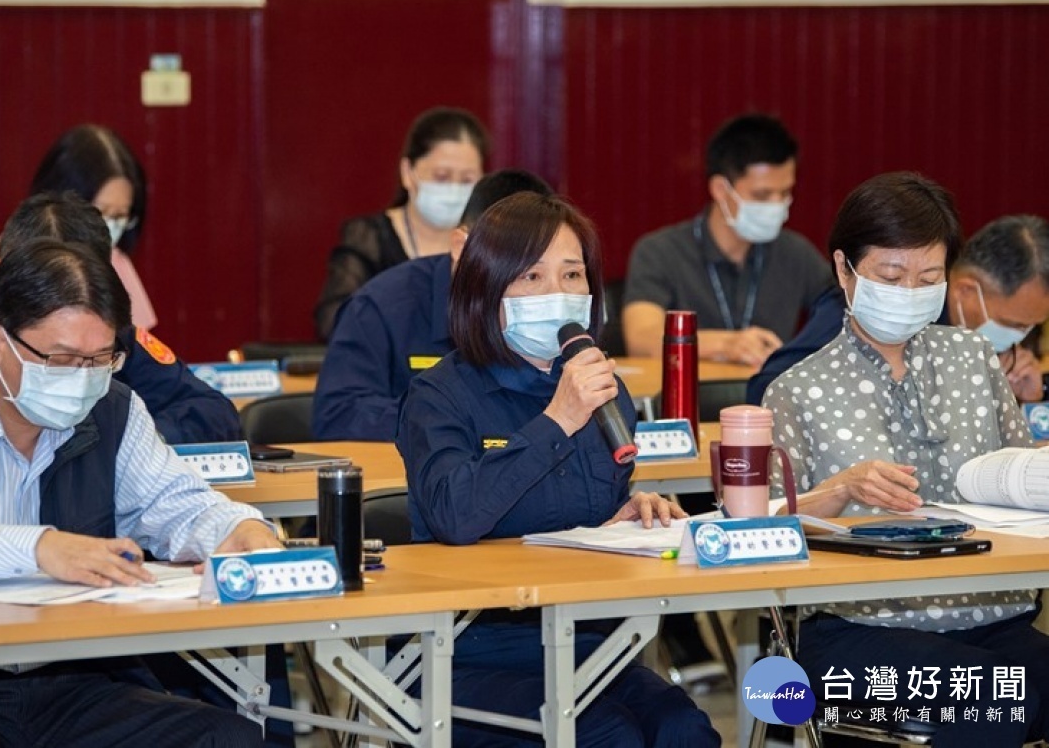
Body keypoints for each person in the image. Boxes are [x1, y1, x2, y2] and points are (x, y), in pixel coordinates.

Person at [0, 238, 280, 747]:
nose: (82, 380)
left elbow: (176, 503)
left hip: (74, 682)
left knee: (224, 737)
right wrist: (38, 547)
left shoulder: (114, 410)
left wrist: (241, 529)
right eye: (62, 359)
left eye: (101, 359)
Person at [397, 192, 720, 747]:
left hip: (591, 645)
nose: (558, 293)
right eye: (531, 277)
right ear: (486, 288)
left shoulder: (603, 388)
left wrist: (628, 516)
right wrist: (557, 419)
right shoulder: (439, 394)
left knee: (683, 729)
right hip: (469, 653)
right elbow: (454, 514)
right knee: (605, 736)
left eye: (572, 275)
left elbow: (585, 519)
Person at [762, 172, 1048, 747]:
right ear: (845, 270)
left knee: (1011, 691)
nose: (911, 290)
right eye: (892, 276)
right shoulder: (797, 389)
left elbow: (1025, 480)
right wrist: (839, 489)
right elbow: (762, 532)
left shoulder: (974, 358)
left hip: (992, 613)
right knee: (998, 700)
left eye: (929, 277)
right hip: (855, 631)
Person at [0, 192, 240, 444]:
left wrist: (126, 443)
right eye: (43, 292)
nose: (67, 309)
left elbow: (212, 411)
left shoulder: (102, 329)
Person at [312, 168, 552, 441]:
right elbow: (338, 416)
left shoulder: (558, 309)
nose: (522, 280)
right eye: (507, 257)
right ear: (462, 246)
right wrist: (446, 416)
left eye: (535, 269)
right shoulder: (382, 306)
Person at [747, 214, 1049, 404]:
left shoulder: (1012, 338)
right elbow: (767, 388)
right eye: (1012, 324)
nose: (1020, 335)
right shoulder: (880, 309)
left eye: (1031, 327)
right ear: (967, 290)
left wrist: (1029, 399)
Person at [622, 113, 831, 368]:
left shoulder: (796, 253)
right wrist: (725, 345)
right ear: (721, 189)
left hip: (770, 402)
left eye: (785, 192)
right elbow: (641, 340)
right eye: (762, 195)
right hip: (690, 402)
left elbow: (847, 317)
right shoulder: (659, 252)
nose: (778, 205)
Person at [0, 123, 158, 330]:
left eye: (120, 216)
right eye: (100, 212)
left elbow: (138, 343)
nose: (110, 227)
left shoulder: (116, 260)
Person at [313, 106, 489, 340]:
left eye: (467, 179)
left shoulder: (488, 241)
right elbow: (333, 319)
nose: (454, 189)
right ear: (408, 172)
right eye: (441, 177)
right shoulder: (369, 237)